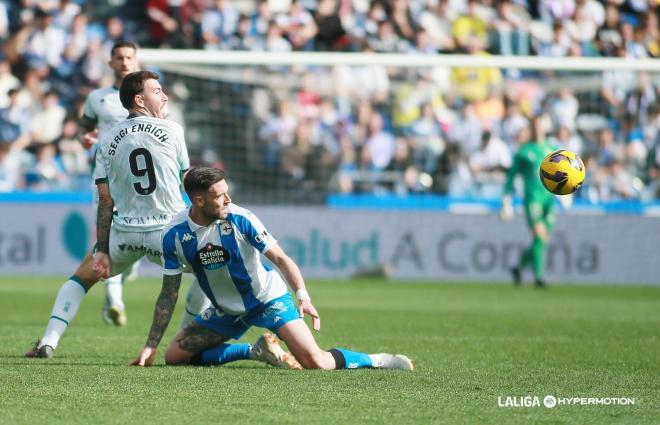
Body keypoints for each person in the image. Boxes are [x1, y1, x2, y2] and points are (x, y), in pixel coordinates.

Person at [132, 167, 414, 371]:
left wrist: (303, 295)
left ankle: (376, 359)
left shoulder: (241, 219)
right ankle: (255, 351)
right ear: (199, 201)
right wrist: (151, 344)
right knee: (174, 357)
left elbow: (281, 259)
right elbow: (169, 293)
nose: (228, 200)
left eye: (228, 192)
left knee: (315, 362)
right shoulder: (174, 235)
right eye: (220, 196)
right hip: (226, 311)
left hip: (267, 300)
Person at [26, 71, 193, 358]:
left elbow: (106, 202)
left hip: (124, 232)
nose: (164, 96)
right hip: (167, 233)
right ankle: (187, 343)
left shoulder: (106, 138)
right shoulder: (173, 130)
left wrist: (102, 249)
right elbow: (188, 182)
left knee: (79, 279)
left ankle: (48, 342)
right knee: (211, 271)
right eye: (157, 90)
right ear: (139, 99)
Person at [78, 41, 140, 326]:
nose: (125, 61)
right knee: (106, 237)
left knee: (134, 246)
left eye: (129, 57)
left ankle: (117, 285)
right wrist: (87, 139)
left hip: (138, 180)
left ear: (136, 61)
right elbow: (85, 128)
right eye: (119, 57)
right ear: (111, 63)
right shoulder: (97, 97)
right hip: (104, 177)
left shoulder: (147, 96)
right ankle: (115, 298)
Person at [500, 117, 557, 288]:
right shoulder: (525, 151)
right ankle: (539, 278)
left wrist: (566, 193)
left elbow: (562, 175)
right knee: (539, 236)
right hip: (532, 200)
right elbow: (510, 178)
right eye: (535, 126)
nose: (538, 129)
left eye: (540, 125)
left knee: (543, 240)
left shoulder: (552, 150)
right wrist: (506, 201)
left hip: (549, 200)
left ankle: (518, 268)